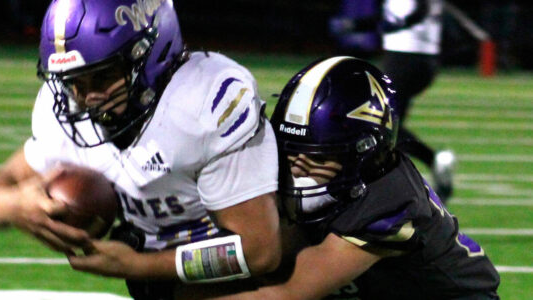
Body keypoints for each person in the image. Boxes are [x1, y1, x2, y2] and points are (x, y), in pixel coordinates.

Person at [0, 0, 281, 299]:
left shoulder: (203, 103)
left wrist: (138, 266)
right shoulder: (66, 111)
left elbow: (259, 252)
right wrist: (12, 204)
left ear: (150, 54)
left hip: (253, 287)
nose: (87, 96)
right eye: (73, 80)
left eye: (103, 75)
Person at [206, 57, 500, 300]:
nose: (296, 169)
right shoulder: (296, 172)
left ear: (365, 154)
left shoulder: (387, 201)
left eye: (319, 158)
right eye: (289, 153)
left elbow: (286, 293)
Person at [329, 0, 456, 202]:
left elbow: (418, 11)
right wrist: (356, 25)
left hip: (407, 59)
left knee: (375, 121)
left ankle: (430, 161)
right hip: (413, 59)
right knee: (388, 130)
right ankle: (400, 180)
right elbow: (387, 19)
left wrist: (403, 23)